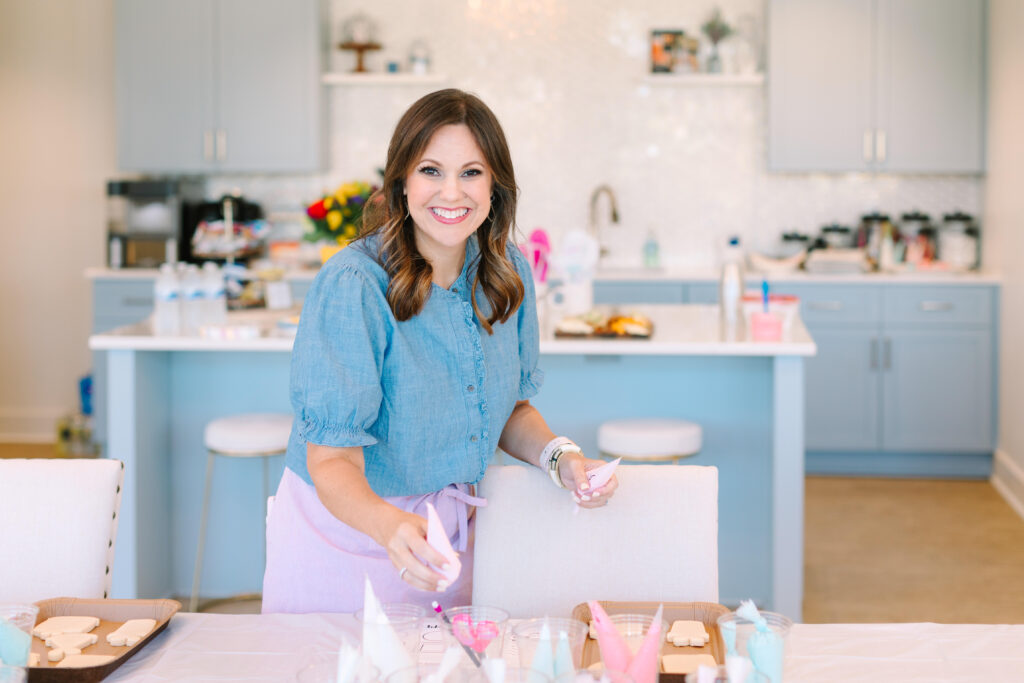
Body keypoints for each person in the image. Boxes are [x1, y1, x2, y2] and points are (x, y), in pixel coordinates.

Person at [262, 89, 618, 614]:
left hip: (450, 542)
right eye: (431, 170)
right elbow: (331, 459)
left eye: (471, 172)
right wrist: (390, 525)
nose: (452, 192)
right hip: (354, 537)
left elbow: (508, 410)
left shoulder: (507, 273)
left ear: (495, 186)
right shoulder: (355, 284)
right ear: (402, 182)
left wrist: (559, 457)